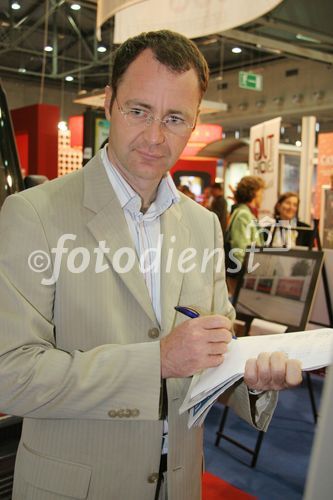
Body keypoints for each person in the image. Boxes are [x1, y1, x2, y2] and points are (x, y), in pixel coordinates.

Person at [0, 31, 302, 500]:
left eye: (175, 118)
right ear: (108, 102)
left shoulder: (203, 226)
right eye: (139, 110)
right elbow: (11, 375)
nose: (156, 136)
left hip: (178, 482)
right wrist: (157, 361)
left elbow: (212, 351)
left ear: (195, 120)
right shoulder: (33, 215)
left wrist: (250, 379)